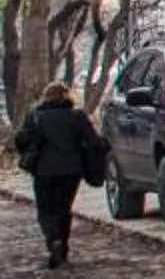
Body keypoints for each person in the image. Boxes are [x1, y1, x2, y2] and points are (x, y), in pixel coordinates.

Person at [13, 83, 107, 270]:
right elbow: (93, 141)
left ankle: (53, 239)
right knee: (64, 208)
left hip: (44, 170)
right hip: (71, 170)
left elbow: (22, 140)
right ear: (66, 96)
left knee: (45, 209)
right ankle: (63, 247)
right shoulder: (76, 116)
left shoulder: (36, 116)